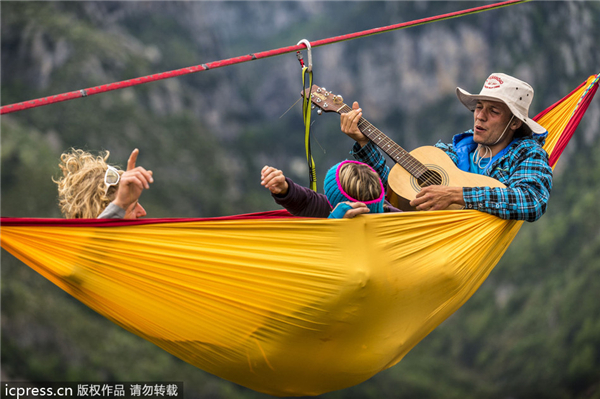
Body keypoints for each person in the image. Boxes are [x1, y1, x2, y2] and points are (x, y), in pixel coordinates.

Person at [340, 73, 553, 222]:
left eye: (493, 111)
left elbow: (531, 200)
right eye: (479, 107)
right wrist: (364, 142)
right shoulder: (447, 152)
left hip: (464, 251)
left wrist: (455, 195)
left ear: (514, 123)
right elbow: (395, 191)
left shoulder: (527, 154)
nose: (480, 116)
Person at [261, 160, 400, 218]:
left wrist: (335, 222)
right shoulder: (404, 221)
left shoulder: (398, 223)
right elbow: (305, 200)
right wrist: (285, 188)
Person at [55, 148, 153, 219]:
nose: (143, 212)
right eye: (132, 208)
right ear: (102, 210)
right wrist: (119, 205)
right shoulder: (79, 246)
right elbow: (93, 243)